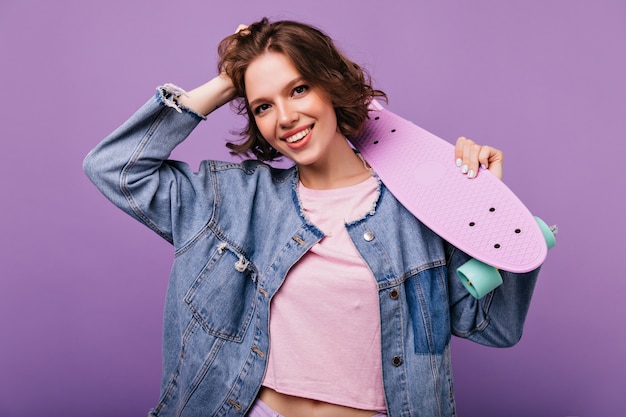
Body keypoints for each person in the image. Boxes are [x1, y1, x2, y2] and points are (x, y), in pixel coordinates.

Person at [84, 18, 539, 417]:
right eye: (263, 105)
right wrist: (227, 81)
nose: (285, 117)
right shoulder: (232, 200)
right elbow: (115, 168)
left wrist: (490, 212)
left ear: (331, 86)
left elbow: (494, 327)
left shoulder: (422, 207)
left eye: (298, 89)